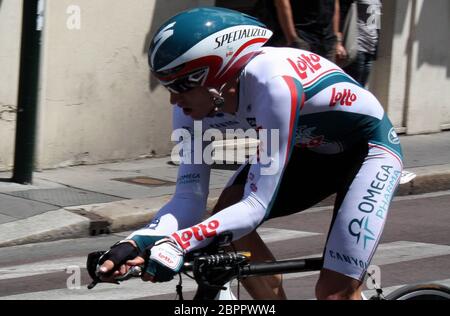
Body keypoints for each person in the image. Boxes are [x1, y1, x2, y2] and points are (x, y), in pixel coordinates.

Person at [90, 6, 403, 300]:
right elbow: (188, 198)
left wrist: (180, 242)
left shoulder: (274, 84)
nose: (174, 100)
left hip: (368, 151)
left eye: (181, 85)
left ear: (217, 74)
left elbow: (256, 204)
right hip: (309, 149)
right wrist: (135, 243)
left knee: (334, 293)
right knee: (226, 214)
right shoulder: (191, 108)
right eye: (167, 87)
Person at [254, 0, 347, 63]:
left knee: (325, 86)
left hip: (327, 39)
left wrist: (336, 39)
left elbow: (335, 4)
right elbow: (282, 3)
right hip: (301, 36)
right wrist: (292, 38)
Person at [339, 0, 382, 87]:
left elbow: (374, 24)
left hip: (370, 49)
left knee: (361, 87)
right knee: (353, 86)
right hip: (357, 47)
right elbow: (343, 12)